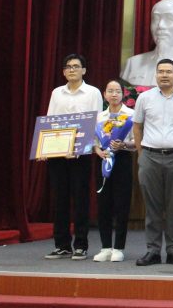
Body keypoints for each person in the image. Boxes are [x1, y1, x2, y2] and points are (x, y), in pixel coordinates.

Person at [132, 59, 173, 266]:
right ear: (156, 75)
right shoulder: (144, 98)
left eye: (168, 72)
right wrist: (141, 154)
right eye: (160, 71)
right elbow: (137, 127)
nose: (164, 75)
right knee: (152, 207)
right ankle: (152, 251)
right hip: (149, 157)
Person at [43, 53, 102, 261]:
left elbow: (97, 121)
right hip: (58, 151)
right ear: (63, 71)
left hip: (81, 153)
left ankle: (81, 245)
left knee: (80, 198)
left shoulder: (93, 92)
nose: (72, 70)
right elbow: (50, 121)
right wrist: (45, 149)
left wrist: (91, 146)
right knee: (60, 198)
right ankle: (62, 245)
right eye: (68, 66)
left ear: (84, 70)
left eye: (76, 66)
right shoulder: (57, 93)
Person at [92, 79, 135, 262]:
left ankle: (118, 247)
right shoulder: (99, 117)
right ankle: (105, 247)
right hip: (103, 160)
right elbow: (93, 141)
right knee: (104, 204)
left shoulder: (131, 114)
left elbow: (137, 141)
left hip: (123, 159)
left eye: (117, 91)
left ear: (123, 94)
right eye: (110, 91)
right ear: (105, 95)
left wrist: (123, 144)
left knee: (121, 204)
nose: (114, 94)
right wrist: (98, 151)